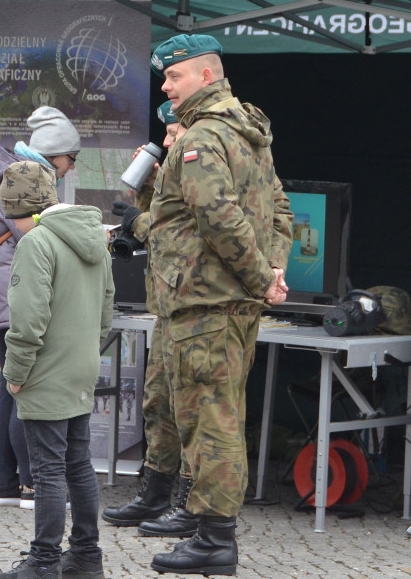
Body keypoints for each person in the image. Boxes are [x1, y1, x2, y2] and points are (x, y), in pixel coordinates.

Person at [146, 34, 292, 576]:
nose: (165, 86)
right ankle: (211, 535)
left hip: (205, 301)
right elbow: (279, 206)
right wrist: (272, 271)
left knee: (211, 420)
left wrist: (260, 277)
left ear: (205, 76)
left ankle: (213, 540)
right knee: (223, 414)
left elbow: (219, 217)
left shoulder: (204, 137)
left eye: (173, 77)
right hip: (228, 301)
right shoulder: (249, 133)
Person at [0, 161, 114, 579]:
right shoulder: (93, 236)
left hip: (46, 370)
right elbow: (106, 307)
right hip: (81, 366)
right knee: (78, 462)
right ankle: (85, 556)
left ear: (16, 209)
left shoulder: (37, 243)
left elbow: (27, 320)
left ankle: (43, 561)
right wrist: (87, 350)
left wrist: (16, 371)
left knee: (47, 470)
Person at [102, 101, 199, 539]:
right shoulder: (174, 172)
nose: (166, 141)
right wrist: (148, 186)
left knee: (193, 412)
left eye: (173, 133)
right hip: (165, 308)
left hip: (195, 310)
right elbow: (157, 221)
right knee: (158, 403)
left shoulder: (204, 173)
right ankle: (154, 492)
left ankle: (190, 501)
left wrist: (138, 221)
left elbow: (175, 235)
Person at [0, 106, 81, 510]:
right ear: (55, 154)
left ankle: (2, 484)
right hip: (18, 295)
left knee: (10, 389)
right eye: (72, 158)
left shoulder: (16, 172)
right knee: (27, 391)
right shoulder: (24, 178)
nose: (72, 167)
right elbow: (38, 240)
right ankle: (33, 486)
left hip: (6, 292)